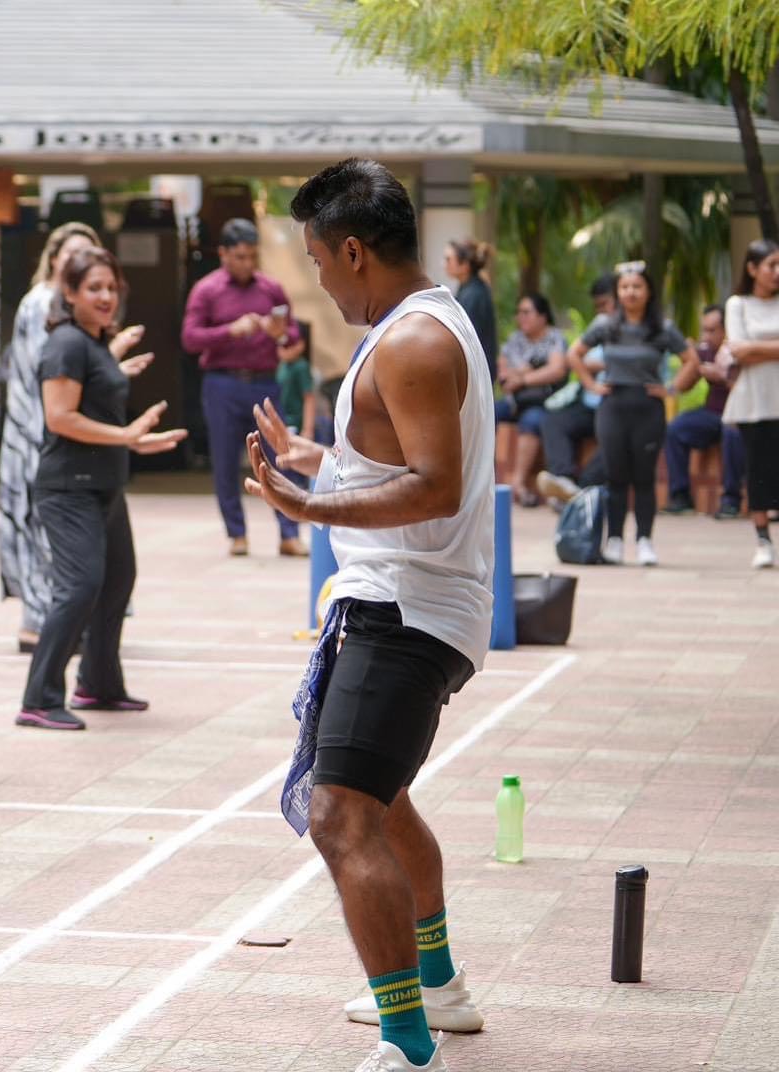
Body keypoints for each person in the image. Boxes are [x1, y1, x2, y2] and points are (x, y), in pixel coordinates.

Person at [246, 158, 495, 1072]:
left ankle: (408, 1042)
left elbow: (434, 486)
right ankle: (441, 989)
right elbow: (406, 457)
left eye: (317, 261)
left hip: (405, 610)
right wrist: (328, 459)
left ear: (354, 250)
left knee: (340, 814)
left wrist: (311, 509)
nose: (317, 278)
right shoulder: (420, 324)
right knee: (381, 804)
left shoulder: (413, 342)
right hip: (408, 603)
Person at [15, 247, 182, 730]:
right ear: (69, 293)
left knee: (115, 584)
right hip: (68, 488)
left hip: (103, 484)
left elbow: (94, 395)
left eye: (111, 287)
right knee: (79, 587)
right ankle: (39, 697)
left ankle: (98, 685)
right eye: (94, 288)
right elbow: (59, 417)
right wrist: (127, 437)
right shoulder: (65, 343)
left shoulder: (92, 343)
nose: (106, 296)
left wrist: (135, 442)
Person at [0, 222, 103, 652]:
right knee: (38, 526)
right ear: (55, 258)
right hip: (37, 435)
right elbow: (48, 380)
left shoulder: (67, 306)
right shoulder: (43, 303)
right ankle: (38, 622)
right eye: (72, 254)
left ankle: (48, 620)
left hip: (45, 432)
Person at [182, 218, 307, 557]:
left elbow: (293, 334)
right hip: (221, 382)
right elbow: (190, 338)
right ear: (223, 253)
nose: (247, 263)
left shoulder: (270, 288)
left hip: (264, 382)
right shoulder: (207, 290)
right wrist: (229, 331)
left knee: (279, 457)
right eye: (239, 256)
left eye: (252, 256)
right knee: (224, 460)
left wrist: (276, 332)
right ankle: (237, 533)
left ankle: (288, 532)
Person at [566, 262, 696, 567]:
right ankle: (614, 541)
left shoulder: (662, 328)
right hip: (612, 407)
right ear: (617, 292)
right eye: (624, 287)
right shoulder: (605, 325)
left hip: (648, 407)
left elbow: (691, 361)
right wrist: (590, 384)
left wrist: (672, 389)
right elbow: (574, 353)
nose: (631, 292)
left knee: (644, 477)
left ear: (649, 291)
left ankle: (645, 541)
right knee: (615, 476)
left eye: (637, 286)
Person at [535, 273, 619, 504]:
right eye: (597, 306)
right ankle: (563, 480)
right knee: (553, 421)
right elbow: (573, 358)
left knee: (619, 439)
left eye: (605, 304)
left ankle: (579, 492)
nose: (601, 310)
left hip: (619, 408)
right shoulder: (600, 324)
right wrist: (592, 380)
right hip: (590, 403)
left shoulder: (640, 327)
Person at [723, 238, 779, 568]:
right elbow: (738, 351)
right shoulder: (737, 304)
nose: (777, 272)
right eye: (771, 265)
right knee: (758, 471)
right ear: (752, 269)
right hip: (753, 402)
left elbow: (749, 348)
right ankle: (762, 540)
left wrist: (758, 349)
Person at [664, 304, 746, 517]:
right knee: (676, 429)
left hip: (741, 414)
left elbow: (747, 387)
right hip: (712, 414)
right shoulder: (704, 351)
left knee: (731, 432)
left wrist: (722, 377)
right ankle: (681, 497)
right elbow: (680, 387)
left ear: (727, 329)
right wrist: (692, 363)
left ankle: (731, 501)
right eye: (704, 330)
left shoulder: (742, 349)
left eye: (712, 330)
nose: (706, 336)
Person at [493, 293, 568, 505]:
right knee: (485, 413)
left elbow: (557, 369)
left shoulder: (554, 337)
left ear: (543, 316)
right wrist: (531, 372)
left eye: (526, 312)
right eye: (518, 313)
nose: (520, 317)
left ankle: (518, 483)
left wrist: (523, 378)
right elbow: (504, 375)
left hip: (544, 403)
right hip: (514, 402)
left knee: (532, 421)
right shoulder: (515, 339)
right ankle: (485, 478)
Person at [442, 238, 499, 381]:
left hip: (477, 371)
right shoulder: (470, 289)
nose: (444, 264)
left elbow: (465, 336)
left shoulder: (473, 294)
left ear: (465, 265)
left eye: (449, 259)